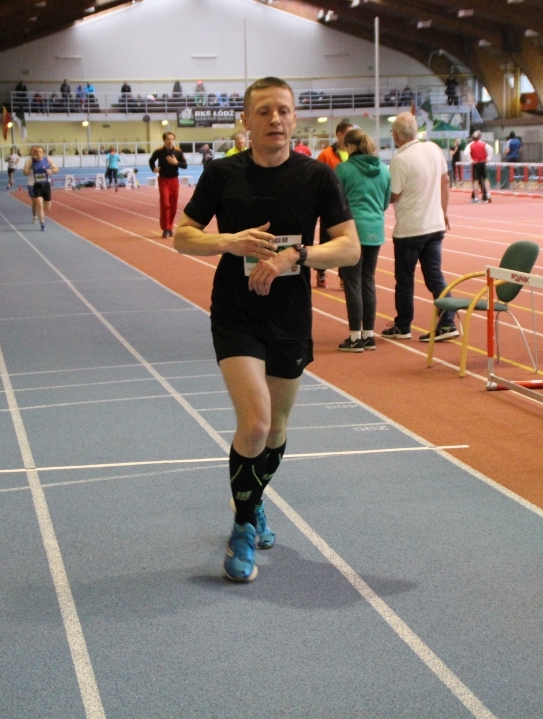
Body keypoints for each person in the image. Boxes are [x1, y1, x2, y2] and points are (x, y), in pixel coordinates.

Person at [173, 76, 359, 582]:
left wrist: (295, 256)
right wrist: (228, 242)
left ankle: (252, 501)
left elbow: (349, 248)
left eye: (283, 110)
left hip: (290, 316)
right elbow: (183, 237)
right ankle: (242, 526)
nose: (275, 119)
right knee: (255, 424)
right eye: (264, 112)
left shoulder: (318, 177)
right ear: (247, 121)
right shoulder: (222, 174)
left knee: (276, 429)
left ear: (294, 118)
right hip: (236, 312)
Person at [382, 112, 457, 342]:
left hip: (410, 229)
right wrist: (444, 211)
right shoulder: (433, 149)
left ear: (396, 136)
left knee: (405, 280)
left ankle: (403, 325)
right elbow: (445, 181)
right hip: (435, 225)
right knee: (435, 275)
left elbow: (394, 195)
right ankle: (447, 322)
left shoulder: (400, 160)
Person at [334, 129, 390, 352]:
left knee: (352, 281)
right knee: (368, 279)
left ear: (349, 147)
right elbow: (385, 203)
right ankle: (368, 335)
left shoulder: (343, 169)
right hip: (375, 229)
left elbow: (336, 202)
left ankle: (355, 336)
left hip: (352, 230)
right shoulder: (383, 169)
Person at [315, 120, 354, 288]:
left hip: (347, 206)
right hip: (329, 205)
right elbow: (316, 176)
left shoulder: (354, 153)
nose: (351, 136)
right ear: (339, 135)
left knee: (345, 242)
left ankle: (343, 276)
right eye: (348, 133)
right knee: (325, 242)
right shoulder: (326, 155)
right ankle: (321, 272)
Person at [149, 131, 187, 237]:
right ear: (164, 140)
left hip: (174, 180)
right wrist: (154, 168)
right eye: (168, 139)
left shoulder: (178, 151)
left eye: (172, 139)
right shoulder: (158, 151)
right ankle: (165, 228)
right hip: (163, 180)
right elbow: (151, 161)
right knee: (165, 204)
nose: (170, 141)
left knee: (173, 205)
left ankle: (170, 227)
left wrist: (176, 163)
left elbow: (185, 165)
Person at [24, 145, 58, 230]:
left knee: (48, 208)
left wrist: (51, 171)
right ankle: (42, 223)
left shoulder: (47, 160)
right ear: (34, 153)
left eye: (40, 152)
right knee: (39, 203)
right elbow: (25, 172)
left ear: (43, 153)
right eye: (37, 152)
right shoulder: (31, 161)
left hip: (46, 185)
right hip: (37, 185)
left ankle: (41, 209)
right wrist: (26, 171)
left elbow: (56, 169)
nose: (38, 153)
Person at [468, 130, 491, 203]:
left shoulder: (471, 145)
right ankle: (488, 194)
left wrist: (471, 160)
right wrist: (488, 159)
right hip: (483, 163)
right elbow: (491, 150)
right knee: (485, 178)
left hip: (476, 163)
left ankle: (476, 198)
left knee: (475, 180)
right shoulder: (484, 144)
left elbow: (466, 153)